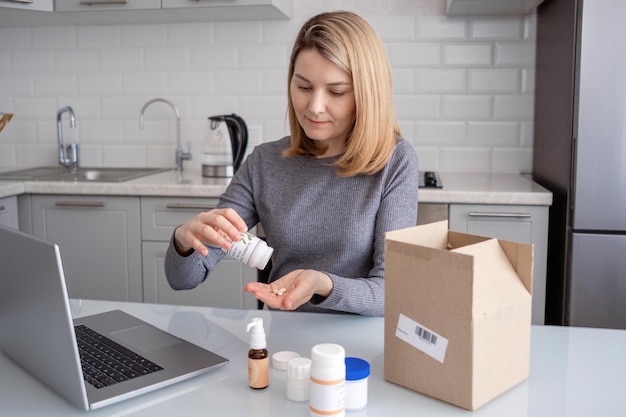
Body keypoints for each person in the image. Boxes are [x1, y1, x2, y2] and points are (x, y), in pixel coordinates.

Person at [164, 10, 419, 316]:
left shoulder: (394, 161)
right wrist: (183, 240)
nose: (314, 106)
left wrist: (322, 284)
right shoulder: (264, 163)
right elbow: (183, 278)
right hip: (284, 343)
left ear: (366, 95)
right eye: (303, 87)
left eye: (336, 91)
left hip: (361, 350)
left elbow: (391, 292)